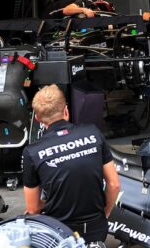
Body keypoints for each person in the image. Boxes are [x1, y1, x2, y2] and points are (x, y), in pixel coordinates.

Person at [22, 85, 120, 243]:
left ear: (38, 119)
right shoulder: (93, 133)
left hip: (60, 232)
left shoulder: (32, 152)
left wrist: (48, 203)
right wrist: (105, 213)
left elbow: (32, 208)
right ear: (66, 111)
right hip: (96, 228)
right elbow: (114, 184)